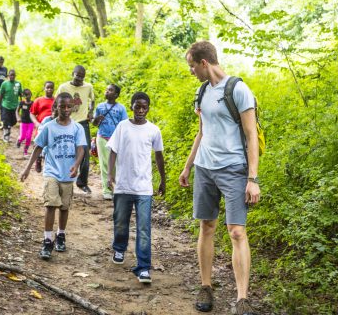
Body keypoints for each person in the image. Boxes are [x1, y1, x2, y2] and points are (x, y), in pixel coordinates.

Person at [178, 41, 260, 315]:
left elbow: (251, 136)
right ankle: (206, 286)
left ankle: (242, 298)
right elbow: (202, 132)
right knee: (207, 226)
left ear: (204, 63)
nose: (191, 71)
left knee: (237, 231)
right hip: (205, 168)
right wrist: (188, 166)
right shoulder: (202, 91)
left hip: (234, 169)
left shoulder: (238, 89)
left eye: (192, 65)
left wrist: (253, 178)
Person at [107, 92, 165, 284]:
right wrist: (110, 174)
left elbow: (158, 156)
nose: (140, 110)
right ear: (131, 106)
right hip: (123, 185)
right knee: (121, 222)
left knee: (144, 228)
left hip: (144, 188)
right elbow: (113, 150)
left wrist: (163, 180)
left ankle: (143, 267)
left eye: (144, 107)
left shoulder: (153, 130)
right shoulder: (123, 126)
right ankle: (119, 248)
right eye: (137, 106)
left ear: (148, 108)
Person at [20, 92, 86, 260]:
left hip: (68, 174)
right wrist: (27, 168)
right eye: (62, 106)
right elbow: (38, 147)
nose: (65, 109)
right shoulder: (49, 127)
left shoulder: (77, 128)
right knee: (50, 204)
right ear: (56, 107)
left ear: (73, 107)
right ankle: (47, 240)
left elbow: (81, 149)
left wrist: (76, 165)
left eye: (68, 106)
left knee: (64, 207)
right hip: (52, 172)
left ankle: (61, 235)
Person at [56, 65, 95, 194]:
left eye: (82, 77)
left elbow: (92, 100)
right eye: (77, 76)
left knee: (85, 152)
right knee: (66, 152)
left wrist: (90, 111)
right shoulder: (63, 87)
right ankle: (64, 180)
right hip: (67, 122)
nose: (79, 79)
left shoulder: (88, 87)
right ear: (72, 74)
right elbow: (56, 103)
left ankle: (82, 182)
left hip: (82, 123)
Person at [92, 84, 128, 200]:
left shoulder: (121, 108)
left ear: (116, 95)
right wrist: (97, 119)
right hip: (102, 137)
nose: (107, 91)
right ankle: (106, 190)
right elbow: (94, 123)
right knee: (104, 164)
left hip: (116, 139)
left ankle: (117, 188)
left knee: (117, 164)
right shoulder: (100, 106)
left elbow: (124, 124)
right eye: (106, 89)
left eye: (110, 90)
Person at [31, 81, 56, 172]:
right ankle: (38, 160)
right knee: (39, 143)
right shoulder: (38, 100)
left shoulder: (56, 100)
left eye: (51, 87)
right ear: (44, 88)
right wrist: (36, 122)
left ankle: (49, 162)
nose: (49, 89)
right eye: (47, 87)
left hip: (53, 127)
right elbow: (32, 113)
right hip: (41, 126)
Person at [0, 69, 22, 143]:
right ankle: (6, 136)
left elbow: (20, 94)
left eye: (13, 75)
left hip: (14, 106)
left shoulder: (18, 84)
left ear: (15, 76)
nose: (12, 76)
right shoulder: (4, 84)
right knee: (5, 121)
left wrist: (22, 102)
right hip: (5, 105)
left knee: (13, 121)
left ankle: (8, 128)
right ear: (8, 76)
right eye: (11, 75)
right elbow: (1, 95)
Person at [17, 89, 35, 156]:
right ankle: (19, 141)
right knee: (22, 136)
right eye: (26, 95)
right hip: (23, 122)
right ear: (23, 95)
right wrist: (18, 117)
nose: (27, 96)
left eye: (29, 94)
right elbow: (17, 111)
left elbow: (35, 112)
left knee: (28, 137)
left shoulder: (33, 103)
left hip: (31, 122)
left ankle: (25, 151)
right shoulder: (22, 103)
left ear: (31, 94)